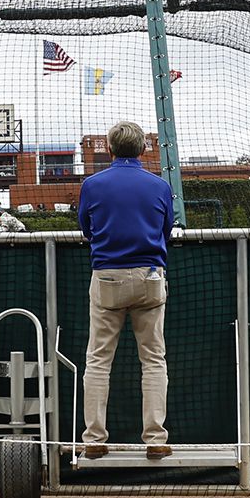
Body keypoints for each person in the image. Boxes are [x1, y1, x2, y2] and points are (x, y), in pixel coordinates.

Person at [77, 121, 175, 458]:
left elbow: (86, 229)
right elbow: (167, 229)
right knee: (153, 360)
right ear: (144, 149)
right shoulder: (159, 185)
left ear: (109, 148)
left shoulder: (92, 184)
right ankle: (156, 439)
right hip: (150, 276)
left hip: (107, 278)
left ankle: (93, 440)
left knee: (98, 361)